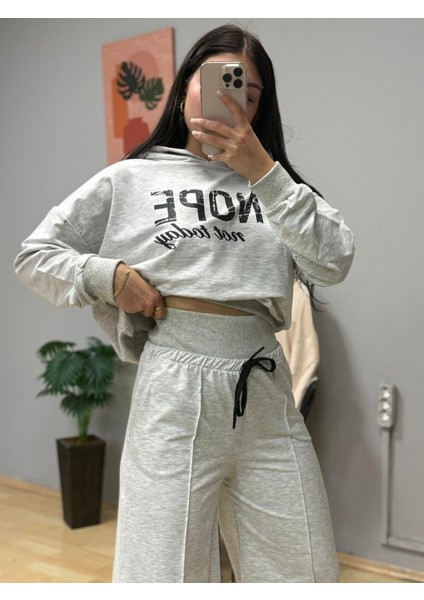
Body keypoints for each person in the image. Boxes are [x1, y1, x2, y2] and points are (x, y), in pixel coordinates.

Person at [14, 24, 355, 583]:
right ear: (182, 91)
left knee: (305, 572)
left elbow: (334, 262)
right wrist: (109, 276)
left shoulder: (278, 188)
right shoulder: (131, 180)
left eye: (248, 91)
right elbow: (34, 257)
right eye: (215, 81)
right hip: (174, 386)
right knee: (162, 574)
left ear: (260, 105)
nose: (233, 98)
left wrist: (263, 172)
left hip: (264, 388)